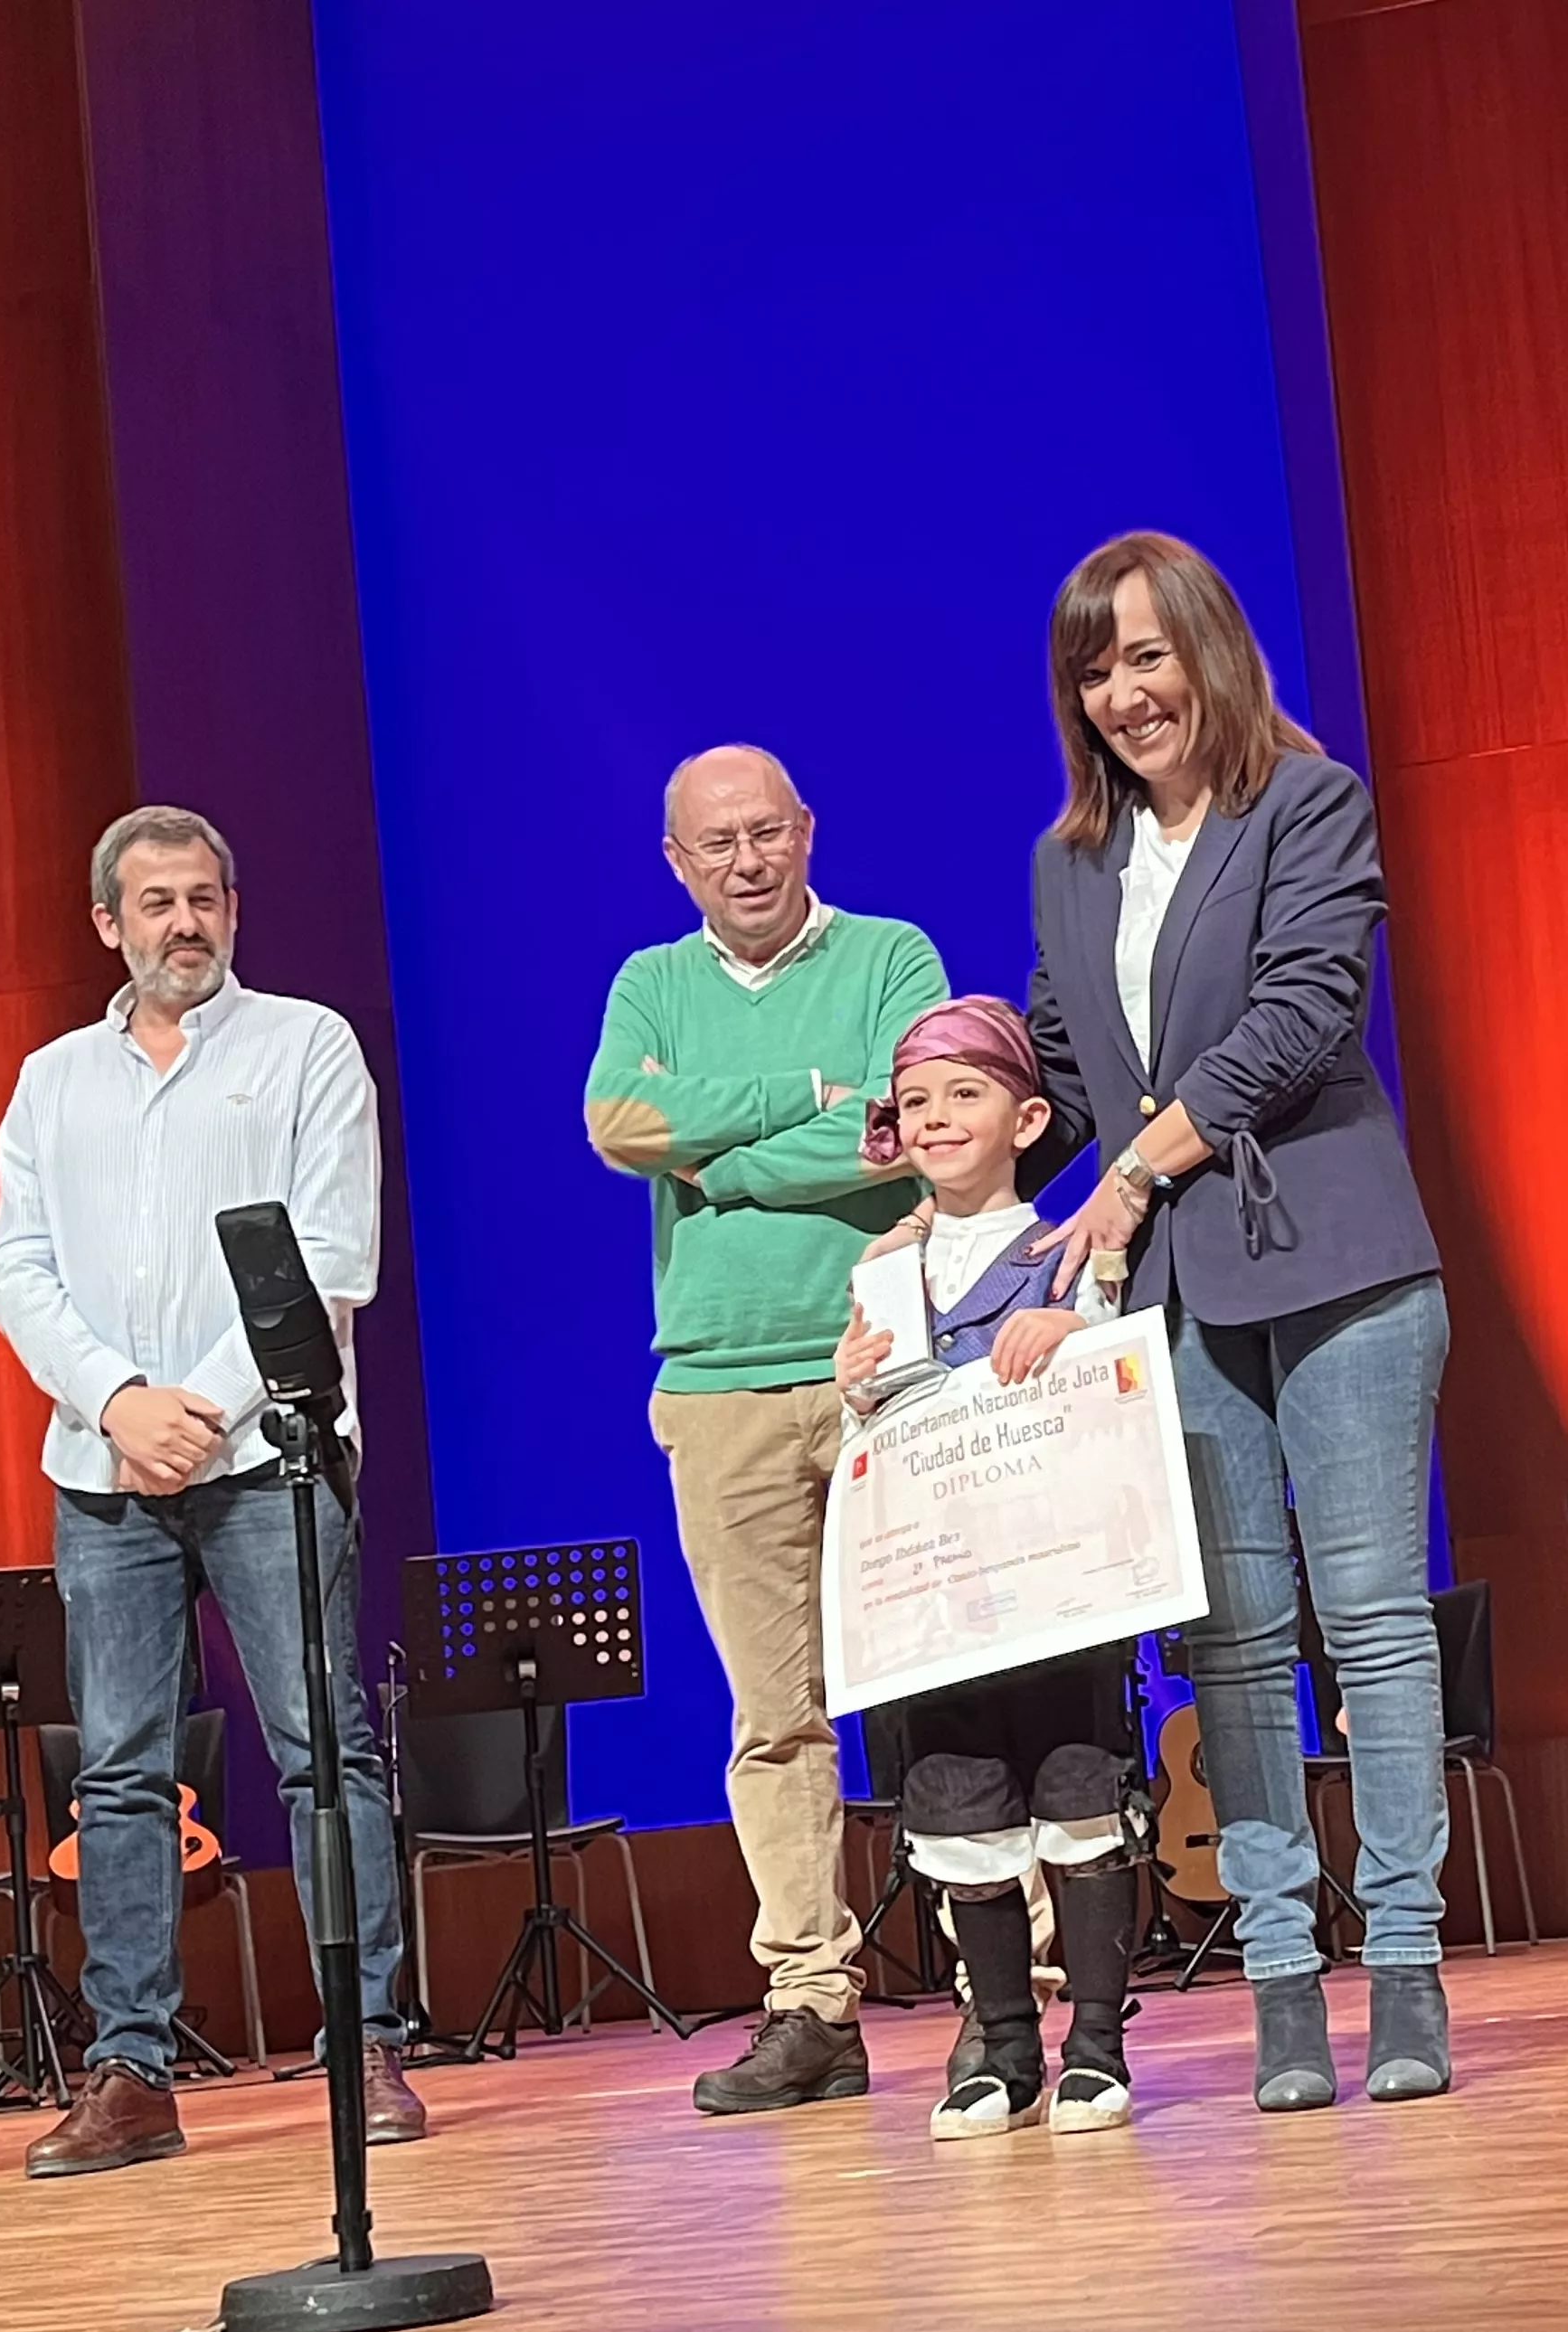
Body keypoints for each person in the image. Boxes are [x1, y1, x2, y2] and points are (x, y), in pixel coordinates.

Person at [1023, 533, 1453, 2111]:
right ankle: (1280, 1974)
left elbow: (1303, 1016)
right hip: (1175, 1292)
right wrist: (944, 1138)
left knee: (1374, 1619)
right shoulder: (1069, 861)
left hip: (1334, 1258)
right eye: (1095, 669)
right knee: (1232, 1645)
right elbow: (1063, 1072)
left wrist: (1136, 1168)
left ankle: (1401, 1962)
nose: (1124, 693)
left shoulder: (1308, 801)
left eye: (1146, 655)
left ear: (1206, 649)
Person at [0, 805, 429, 2174]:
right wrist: (118, 1400)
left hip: (266, 1457)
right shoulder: (52, 1079)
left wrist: (198, 1411)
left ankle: (366, 2042)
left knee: (321, 1749)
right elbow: (15, 1266)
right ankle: (131, 2069)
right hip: (104, 1464)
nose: (186, 923)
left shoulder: (305, 1046)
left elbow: (334, 1255)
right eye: (157, 902)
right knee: (119, 1770)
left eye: (205, 898)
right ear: (107, 924)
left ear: (233, 908)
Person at [584, 747, 950, 2117]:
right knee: (774, 1717)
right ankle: (811, 2003)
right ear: (676, 863)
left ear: (806, 830)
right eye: (717, 844)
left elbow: (899, 1133)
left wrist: (715, 1161)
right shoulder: (649, 982)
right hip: (720, 1388)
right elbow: (616, 1123)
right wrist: (801, 1097)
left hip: (885, 1363)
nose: (747, 861)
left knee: (953, 1680)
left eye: (766, 833)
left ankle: (1012, 1986)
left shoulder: (893, 957)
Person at [831, 998, 1135, 2138]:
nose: (937, 1117)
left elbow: (1127, 1391)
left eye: (966, 1094)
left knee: (1077, 1798)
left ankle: (1095, 2045)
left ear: (1029, 1120)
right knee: (962, 1813)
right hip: (943, 1602)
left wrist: (1080, 1335)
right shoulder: (883, 1276)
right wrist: (853, 1389)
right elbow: (876, 1441)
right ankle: (1004, 2046)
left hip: (1058, 1587)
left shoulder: (1073, 1250)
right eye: (916, 1100)